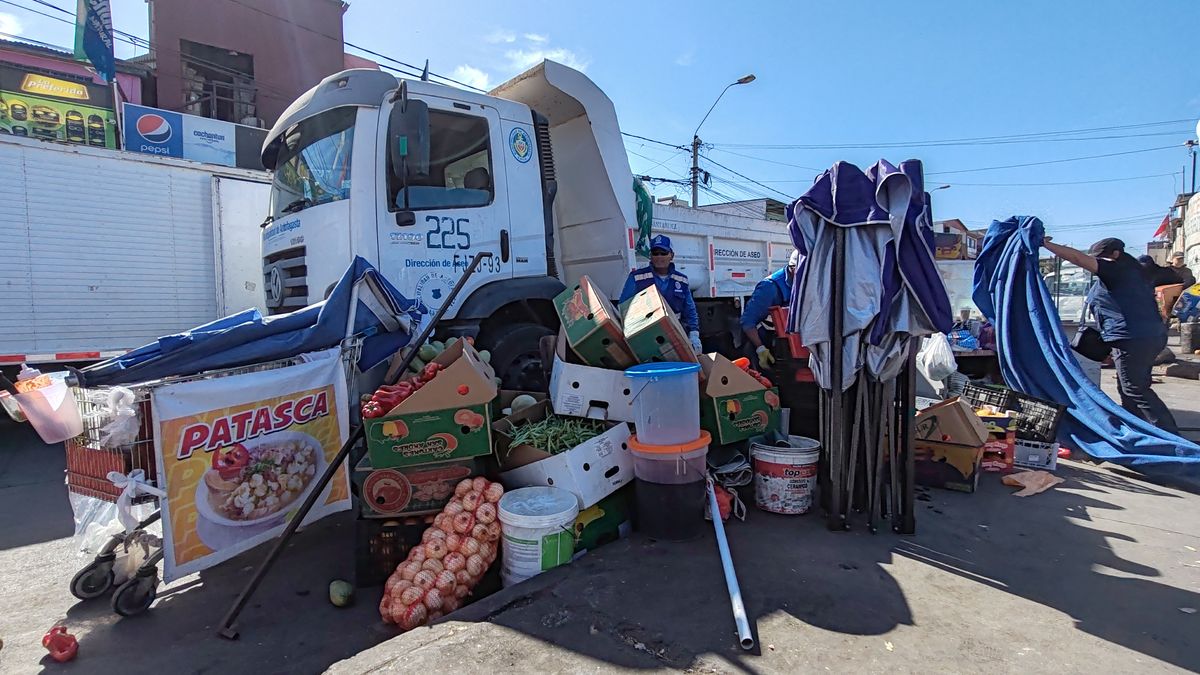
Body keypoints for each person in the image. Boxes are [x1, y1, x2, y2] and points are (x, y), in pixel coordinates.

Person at [1042, 236, 1179, 434]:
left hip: (1133, 339)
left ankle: (1169, 435)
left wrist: (1046, 245)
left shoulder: (1117, 269)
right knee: (1129, 386)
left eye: (1100, 259)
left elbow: (1078, 258)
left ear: (1116, 254)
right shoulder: (1134, 271)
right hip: (1143, 337)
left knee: (1134, 388)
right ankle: (1137, 429)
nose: (1096, 264)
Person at [618, 234, 701, 353]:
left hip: (676, 333)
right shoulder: (637, 278)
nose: (659, 257)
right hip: (647, 335)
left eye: (663, 253)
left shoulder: (681, 280)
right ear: (650, 256)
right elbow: (623, 307)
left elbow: (690, 310)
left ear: (671, 255)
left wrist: (694, 335)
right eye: (655, 253)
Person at [740, 249, 800, 369]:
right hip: (768, 344)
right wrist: (760, 349)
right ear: (793, 269)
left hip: (793, 345)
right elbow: (747, 322)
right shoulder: (769, 287)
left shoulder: (804, 284)